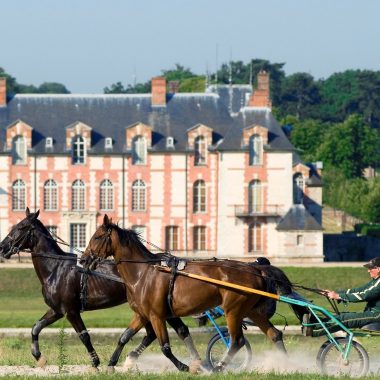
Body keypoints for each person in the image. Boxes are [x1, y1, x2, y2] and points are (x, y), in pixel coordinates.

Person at [304, 257, 380, 337]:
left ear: (378, 269)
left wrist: (339, 296)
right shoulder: (375, 281)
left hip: (376, 315)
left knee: (343, 318)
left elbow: (364, 296)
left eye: (370, 268)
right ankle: (314, 323)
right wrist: (334, 293)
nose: (368, 270)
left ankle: (314, 330)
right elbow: (358, 290)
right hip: (371, 313)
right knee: (340, 316)